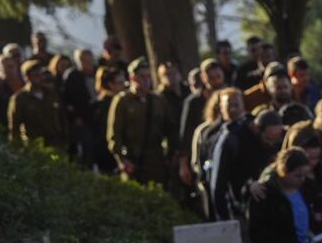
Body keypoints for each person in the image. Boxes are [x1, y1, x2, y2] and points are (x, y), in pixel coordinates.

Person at [107, 58, 177, 184]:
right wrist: (122, 160)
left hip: (157, 160)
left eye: (148, 76)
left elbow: (170, 129)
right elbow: (114, 133)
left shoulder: (158, 101)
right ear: (133, 78)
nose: (146, 80)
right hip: (133, 160)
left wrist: (171, 153)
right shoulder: (123, 101)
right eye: (142, 76)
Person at [206, 89, 257, 221]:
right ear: (221, 108)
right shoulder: (223, 136)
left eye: (237, 104)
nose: (233, 108)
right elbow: (218, 182)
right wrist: (222, 216)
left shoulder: (255, 128)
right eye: (229, 104)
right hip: (236, 206)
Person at [179, 59, 225, 188]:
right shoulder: (193, 102)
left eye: (218, 77)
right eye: (211, 78)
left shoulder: (230, 96)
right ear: (203, 78)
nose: (216, 81)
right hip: (203, 153)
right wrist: (183, 165)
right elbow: (186, 133)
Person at [7, 60, 68, 150]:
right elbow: (14, 126)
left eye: (40, 74)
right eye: (35, 75)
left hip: (56, 144)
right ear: (27, 77)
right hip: (34, 147)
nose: (39, 78)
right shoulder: (19, 99)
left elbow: (62, 117)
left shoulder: (52, 94)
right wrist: (16, 148)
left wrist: (65, 139)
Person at [63, 49, 97, 165]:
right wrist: (75, 117)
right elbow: (67, 99)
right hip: (81, 121)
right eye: (84, 61)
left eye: (89, 61)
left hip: (96, 118)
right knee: (86, 150)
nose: (88, 64)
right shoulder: (73, 76)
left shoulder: (97, 73)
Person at [89, 66, 125, 174]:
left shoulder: (122, 103)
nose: (124, 86)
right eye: (120, 83)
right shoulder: (101, 106)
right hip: (106, 157)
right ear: (110, 84)